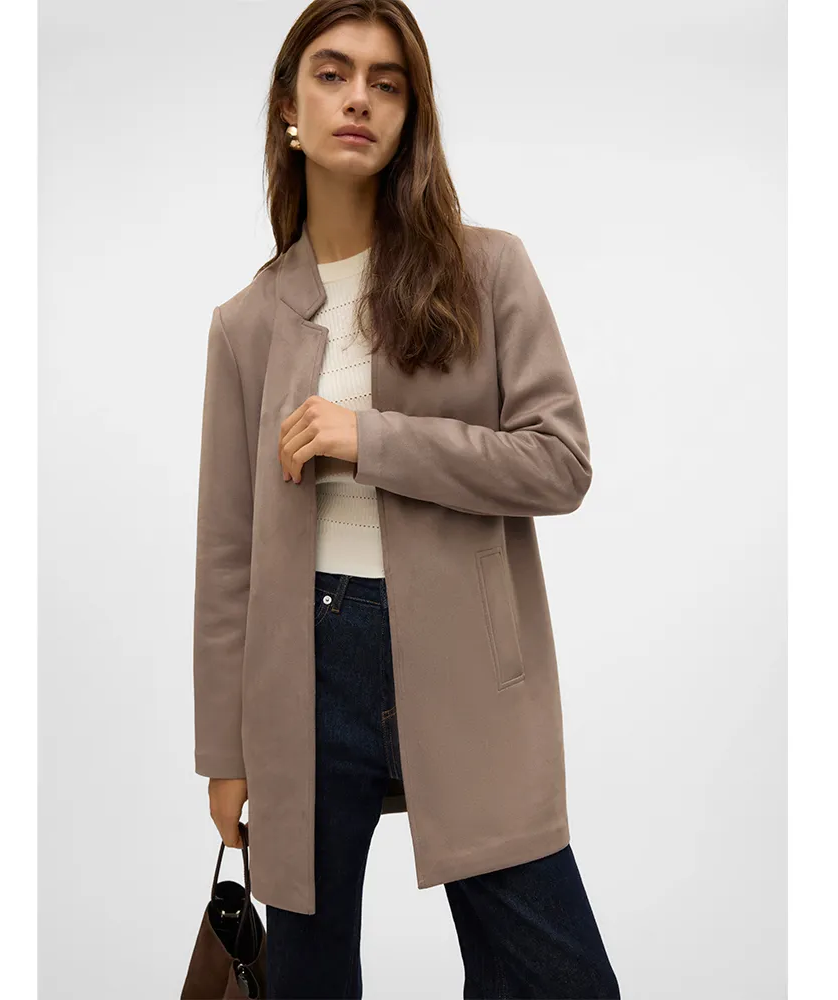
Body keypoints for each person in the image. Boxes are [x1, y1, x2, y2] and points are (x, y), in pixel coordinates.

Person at [193, 1, 621, 996]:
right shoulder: (245, 324)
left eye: (387, 83)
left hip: (468, 663)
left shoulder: (487, 269)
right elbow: (226, 554)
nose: (360, 99)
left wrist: (370, 439)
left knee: (559, 977)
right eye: (334, 73)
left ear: (410, 116)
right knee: (308, 978)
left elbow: (559, 463)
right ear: (289, 108)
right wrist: (224, 751)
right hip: (303, 674)